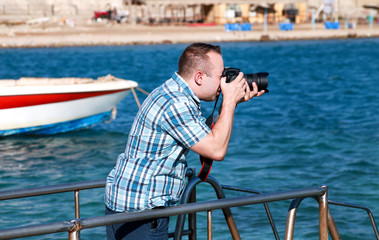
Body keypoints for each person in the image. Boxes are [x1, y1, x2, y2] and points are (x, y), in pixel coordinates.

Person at [104, 42, 265, 240]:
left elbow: (203, 137)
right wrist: (229, 102)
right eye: (220, 76)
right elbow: (215, 150)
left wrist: (229, 103)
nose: (223, 83)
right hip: (141, 213)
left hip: (128, 206)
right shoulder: (177, 103)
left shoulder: (173, 92)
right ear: (199, 77)